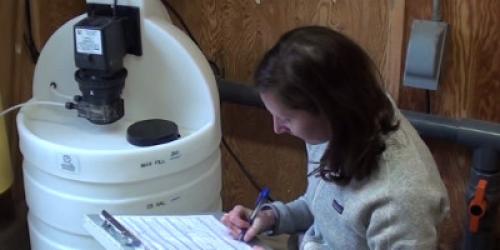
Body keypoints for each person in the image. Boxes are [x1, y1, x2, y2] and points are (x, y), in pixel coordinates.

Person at [221, 26, 450, 249]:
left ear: (331, 108)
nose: (277, 129)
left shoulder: (399, 201)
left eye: (286, 119)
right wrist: (272, 217)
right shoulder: (340, 124)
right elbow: (326, 207)